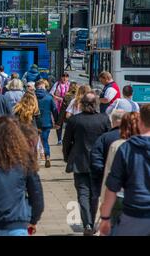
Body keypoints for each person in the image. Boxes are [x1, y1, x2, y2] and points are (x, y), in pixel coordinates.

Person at [62, 92, 111, 235]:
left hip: (79, 160)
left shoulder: (75, 120)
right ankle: (90, 222)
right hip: (98, 162)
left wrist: (67, 156)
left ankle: (87, 224)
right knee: (94, 194)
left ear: (82, 104)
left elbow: (66, 141)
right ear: (96, 104)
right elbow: (108, 140)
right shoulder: (103, 119)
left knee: (82, 193)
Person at [99, 105, 150, 236]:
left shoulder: (126, 148)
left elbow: (112, 186)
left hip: (134, 213)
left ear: (141, 122)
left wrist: (105, 216)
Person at [90, 109, 125, 210]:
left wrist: (101, 173)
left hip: (110, 184)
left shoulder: (104, 137)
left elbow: (96, 158)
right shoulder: (133, 137)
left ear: (112, 121)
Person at [35, 80, 58, 168]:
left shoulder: (33, 97)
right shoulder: (49, 97)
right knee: (45, 141)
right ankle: (47, 156)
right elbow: (54, 110)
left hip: (35, 122)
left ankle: (35, 159)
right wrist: (56, 121)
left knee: (34, 141)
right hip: (46, 122)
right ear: (44, 88)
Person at [49, 73, 70, 144]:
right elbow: (51, 93)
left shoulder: (69, 85)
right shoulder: (57, 84)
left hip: (67, 108)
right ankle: (59, 139)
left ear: (68, 78)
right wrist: (58, 98)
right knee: (59, 123)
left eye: (66, 77)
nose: (64, 78)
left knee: (68, 124)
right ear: (61, 77)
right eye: (63, 76)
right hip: (58, 107)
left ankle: (67, 139)